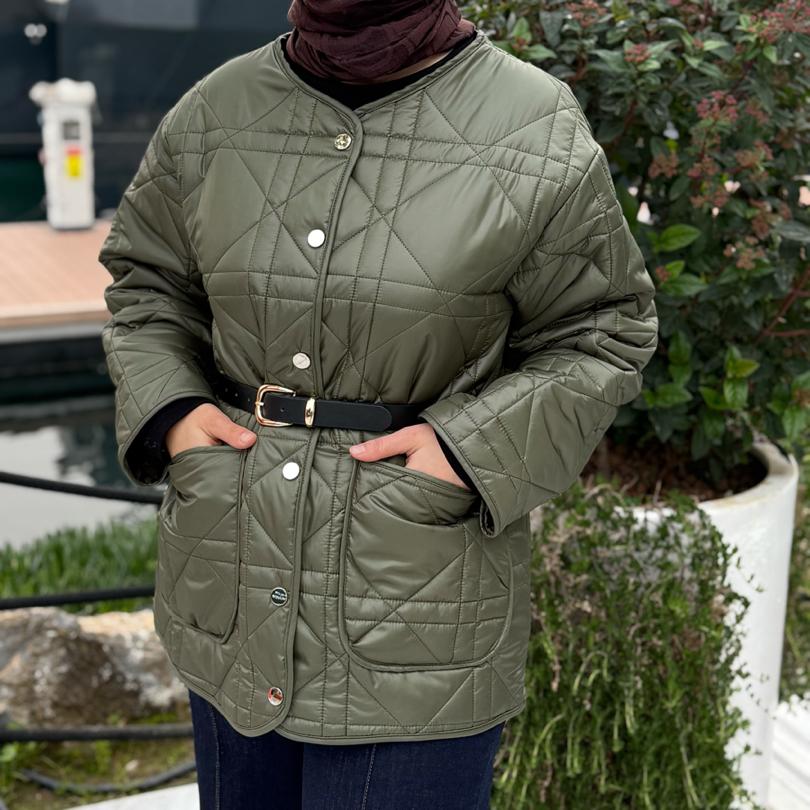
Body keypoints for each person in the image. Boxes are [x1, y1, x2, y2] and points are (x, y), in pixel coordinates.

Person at [97, 1, 659, 808]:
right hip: (231, 579)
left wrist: (465, 451)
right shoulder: (217, 107)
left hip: (418, 607)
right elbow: (148, 288)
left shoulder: (531, 122)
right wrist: (175, 414)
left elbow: (602, 331)